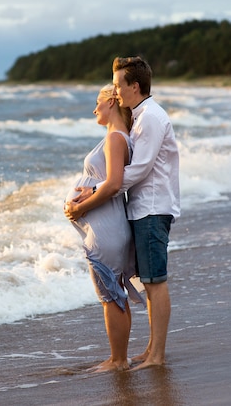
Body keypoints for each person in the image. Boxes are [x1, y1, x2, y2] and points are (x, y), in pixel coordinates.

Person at [67, 56, 180, 371]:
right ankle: (150, 349)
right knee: (149, 280)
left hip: (153, 208)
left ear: (135, 86)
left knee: (155, 282)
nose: (115, 92)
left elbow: (138, 169)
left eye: (118, 85)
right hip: (142, 208)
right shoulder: (140, 119)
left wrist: (94, 191)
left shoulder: (152, 118)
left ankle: (156, 355)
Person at [64, 84, 145, 373]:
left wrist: (79, 207)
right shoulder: (119, 138)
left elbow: (112, 184)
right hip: (111, 228)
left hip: (107, 232)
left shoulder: (114, 139)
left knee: (110, 297)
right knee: (115, 295)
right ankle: (120, 357)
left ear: (112, 101)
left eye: (97, 103)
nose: (94, 109)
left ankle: (118, 360)